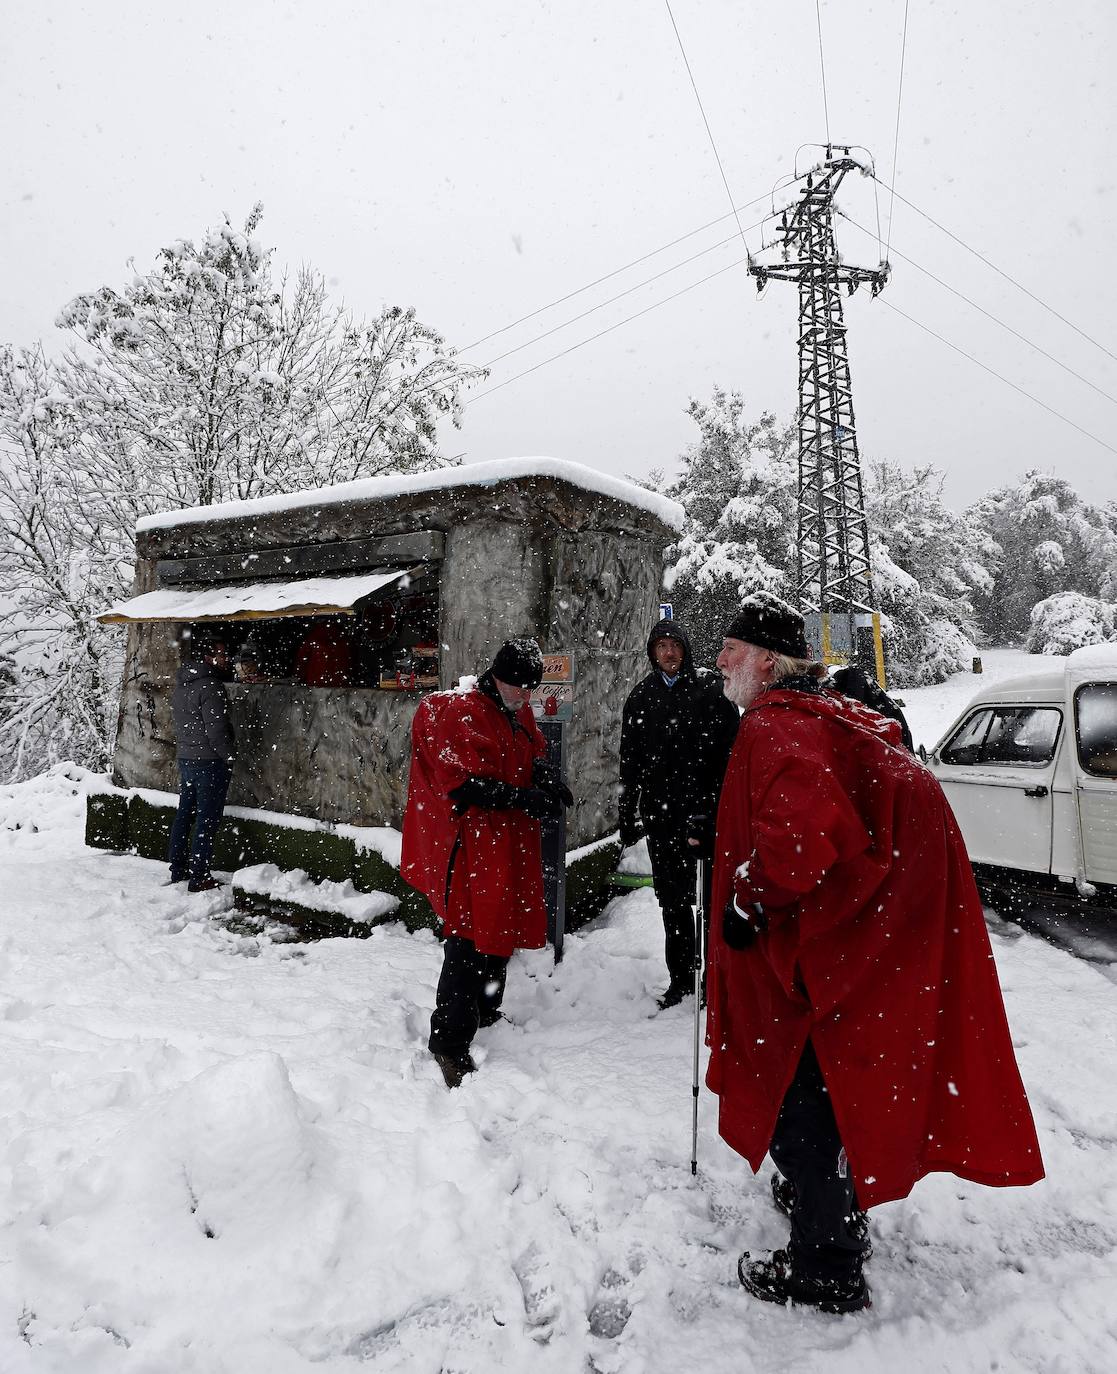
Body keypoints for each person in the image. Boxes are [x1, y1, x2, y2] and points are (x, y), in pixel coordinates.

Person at [705, 591, 1044, 1315]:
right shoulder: (833, 715)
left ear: (767, 660)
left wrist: (747, 896)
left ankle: (825, 1265)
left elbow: (800, 836)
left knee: (803, 1098)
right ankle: (821, 1200)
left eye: (731, 648)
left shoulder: (775, 728)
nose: (720, 660)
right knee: (823, 1091)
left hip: (817, 958)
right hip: (863, 945)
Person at [401, 639, 573, 1089]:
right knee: (467, 940)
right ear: (497, 677)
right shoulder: (459, 712)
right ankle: (449, 1044)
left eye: (531, 689)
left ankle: (487, 1009)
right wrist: (525, 799)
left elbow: (530, 752)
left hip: (507, 840)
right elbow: (461, 786)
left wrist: (547, 778)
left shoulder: (516, 709)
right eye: (519, 687)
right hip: (472, 844)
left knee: (501, 929)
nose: (526, 696)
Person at [618, 618, 739, 1009]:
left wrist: (719, 805)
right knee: (672, 901)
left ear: (685, 649)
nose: (669, 653)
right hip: (660, 815)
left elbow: (730, 753)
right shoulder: (641, 697)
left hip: (703, 814)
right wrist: (627, 811)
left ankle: (714, 978)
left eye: (675, 645)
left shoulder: (710, 690)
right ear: (652, 653)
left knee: (707, 898)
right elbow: (630, 760)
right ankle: (681, 979)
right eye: (661, 647)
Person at [168, 633, 237, 892]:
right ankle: (199, 876)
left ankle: (178, 868)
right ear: (208, 658)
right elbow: (216, 730)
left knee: (185, 814)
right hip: (209, 761)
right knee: (207, 820)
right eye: (221, 654)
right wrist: (229, 756)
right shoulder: (210, 686)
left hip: (187, 758)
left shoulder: (184, 683)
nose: (226, 658)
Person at [829, 662, 913, 750]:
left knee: (898, 748)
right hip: (886, 717)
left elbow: (855, 700)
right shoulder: (853, 676)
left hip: (886, 720)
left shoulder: (852, 676)